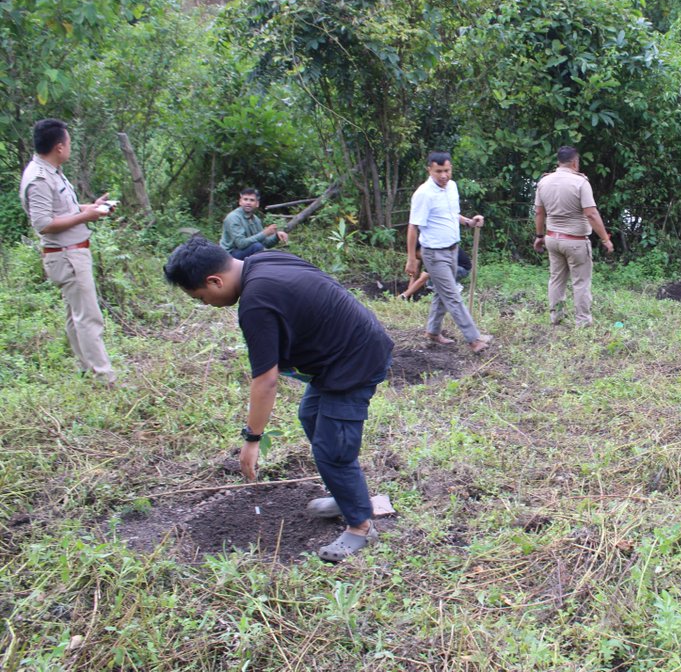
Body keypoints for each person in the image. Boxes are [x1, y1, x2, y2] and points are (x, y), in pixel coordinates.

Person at [163, 235, 394, 562]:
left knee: (333, 447)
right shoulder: (263, 260)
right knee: (310, 417)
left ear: (214, 280)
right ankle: (347, 496)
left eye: (202, 297)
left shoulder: (255, 302)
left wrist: (252, 439)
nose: (206, 304)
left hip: (354, 360)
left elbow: (266, 381)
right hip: (340, 353)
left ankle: (360, 526)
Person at [18, 118, 118, 384]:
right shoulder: (39, 178)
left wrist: (91, 208)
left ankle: (86, 368)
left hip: (71, 253)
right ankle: (103, 377)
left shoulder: (51, 171)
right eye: (69, 142)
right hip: (66, 254)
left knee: (76, 316)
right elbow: (44, 223)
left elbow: (62, 210)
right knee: (88, 317)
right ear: (59, 147)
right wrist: (86, 218)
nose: (70, 147)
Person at [405, 151, 491, 351]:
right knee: (452, 294)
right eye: (438, 171)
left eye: (447, 170)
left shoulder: (452, 187)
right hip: (434, 254)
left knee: (443, 292)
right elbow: (413, 227)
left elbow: (451, 215)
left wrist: (469, 222)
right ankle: (474, 339)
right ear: (430, 170)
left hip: (453, 249)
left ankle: (432, 332)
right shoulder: (423, 194)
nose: (444, 175)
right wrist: (411, 258)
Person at [532, 146, 614, 326]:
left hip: (552, 238)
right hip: (575, 241)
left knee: (556, 279)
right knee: (581, 282)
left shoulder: (544, 182)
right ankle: (583, 321)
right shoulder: (580, 183)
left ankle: (556, 317)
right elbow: (591, 214)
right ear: (575, 162)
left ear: (558, 161)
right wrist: (605, 239)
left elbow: (539, 213)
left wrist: (539, 236)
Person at [220, 188, 287, 260]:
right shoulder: (233, 217)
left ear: (257, 204)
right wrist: (264, 233)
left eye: (252, 200)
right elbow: (241, 244)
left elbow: (265, 243)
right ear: (240, 202)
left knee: (264, 249)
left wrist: (277, 236)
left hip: (244, 252)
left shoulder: (256, 219)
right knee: (257, 246)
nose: (248, 202)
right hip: (229, 255)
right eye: (245, 199)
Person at [399, 246, 471, 301]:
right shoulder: (422, 253)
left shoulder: (432, 253)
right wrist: (409, 292)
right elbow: (415, 273)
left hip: (461, 268)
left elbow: (422, 279)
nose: (415, 257)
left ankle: (455, 287)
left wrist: (404, 295)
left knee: (434, 276)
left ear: (419, 250)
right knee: (430, 284)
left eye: (415, 255)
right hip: (449, 266)